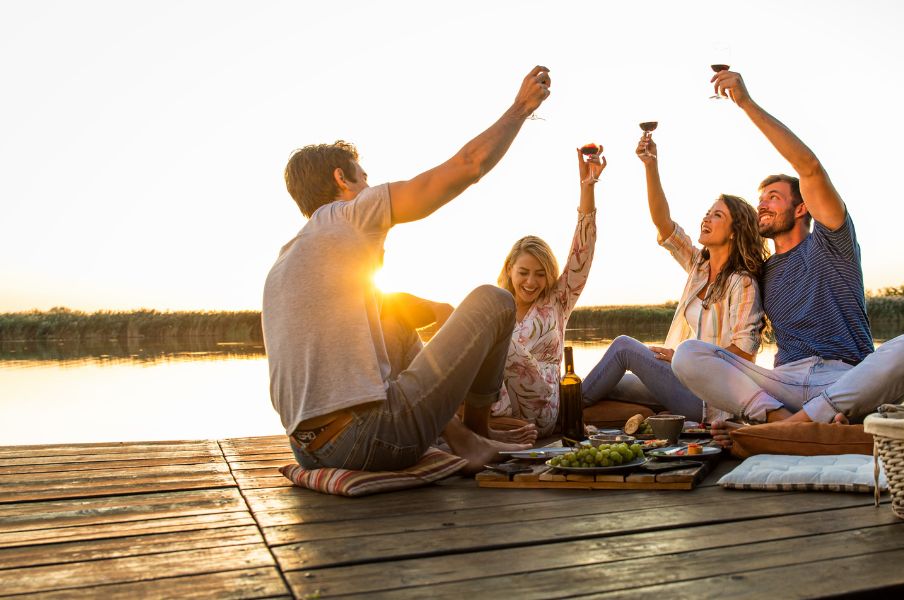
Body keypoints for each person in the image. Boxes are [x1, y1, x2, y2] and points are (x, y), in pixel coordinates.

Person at [262, 66, 552, 474]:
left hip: (308, 449)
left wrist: (428, 310)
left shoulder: (286, 260)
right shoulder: (351, 215)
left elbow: (384, 309)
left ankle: (459, 436)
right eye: (364, 177)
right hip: (369, 438)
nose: (369, 185)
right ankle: (475, 433)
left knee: (394, 320)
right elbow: (467, 166)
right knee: (496, 300)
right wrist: (521, 108)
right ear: (341, 178)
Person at [670, 69, 904, 447]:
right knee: (688, 355)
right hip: (784, 384)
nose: (762, 204)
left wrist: (745, 103)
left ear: (802, 208)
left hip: (843, 380)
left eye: (773, 197)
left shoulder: (831, 241)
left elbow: (809, 166)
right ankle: (786, 421)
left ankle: (789, 429)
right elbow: (697, 260)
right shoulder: (757, 271)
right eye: (761, 199)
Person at [581, 132, 767, 423]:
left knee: (624, 348)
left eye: (717, 215)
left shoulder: (742, 283)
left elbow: (744, 355)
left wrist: (684, 357)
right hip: (684, 382)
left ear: (734, 230)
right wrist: (649, 165)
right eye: (707, 213)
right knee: (612, 386)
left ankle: (559, 413)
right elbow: (664, 224)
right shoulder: (699, 267)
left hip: (712, 399)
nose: (706, 218)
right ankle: (641, 417)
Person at [487, 145, 605, 442]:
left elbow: (583, 250)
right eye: (524, 273)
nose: (531, 281)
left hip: (542, 406)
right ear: (510, 269)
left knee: (505, 346)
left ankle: (488, 428)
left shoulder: (557, 300)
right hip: (497, 404)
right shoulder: (497, 308)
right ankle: (483, 427)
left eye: (540, 274)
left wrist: (587, 186)